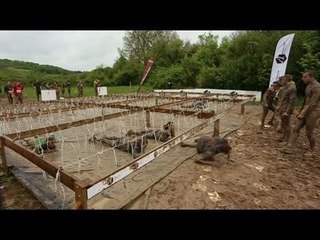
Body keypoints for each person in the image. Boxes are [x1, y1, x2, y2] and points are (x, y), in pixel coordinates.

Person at [281, 70, 320, 156]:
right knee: (296, 128)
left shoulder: (317, 87)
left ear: (311, 76)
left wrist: (303, 113)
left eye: (305, 77)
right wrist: (300, 112)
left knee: (309, 132)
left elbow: (313, 103)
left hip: (314, 111)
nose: (303, 79)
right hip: (305, 110)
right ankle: (289, 147)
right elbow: (306, 101)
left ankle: (312, 149)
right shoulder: (308, 87)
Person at [275, 74, 296, 143]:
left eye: (282, 80)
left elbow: (292, 101)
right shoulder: (284, 88)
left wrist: (287, 112)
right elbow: (282, 99)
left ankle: (287, 140)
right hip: (282, 108)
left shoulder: (292, 88)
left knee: (287, 125)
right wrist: (279, 106)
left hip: (286, 110)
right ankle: (283, 137)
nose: (280, 82)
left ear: (285, 80)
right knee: (283, 124)